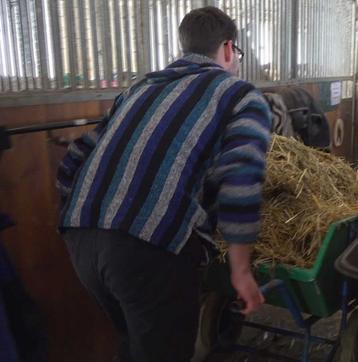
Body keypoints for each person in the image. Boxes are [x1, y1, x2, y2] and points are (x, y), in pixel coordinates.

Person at [56, 7, 269, 361]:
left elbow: (76, 156)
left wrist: (79, 216)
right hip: (147, 245)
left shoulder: (140, 87)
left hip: (81, 236)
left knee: (132, 344)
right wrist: (241, 269)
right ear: (229, 49)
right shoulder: (239, 95)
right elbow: (241, 179)